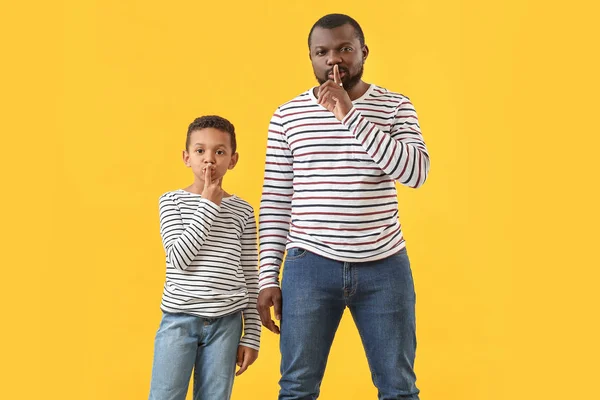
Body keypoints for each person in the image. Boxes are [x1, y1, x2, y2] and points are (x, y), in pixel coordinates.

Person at [256, 13, 430, 400]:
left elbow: (416, 172)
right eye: (322, 52)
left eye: (344, 49)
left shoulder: (395, 106)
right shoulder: (288, 116)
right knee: (297, 388)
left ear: (363, 52)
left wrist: (349, 115)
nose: (333, 60)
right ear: (311, 58)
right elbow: (276, 200)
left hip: (385, 265)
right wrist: (268, 276)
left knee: (399, 388)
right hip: (309, 266)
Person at [149, 115, 260, 400]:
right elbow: (179, 258)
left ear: (232, 160)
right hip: (179, 319)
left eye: (219, 151)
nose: (209, 159)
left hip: (227, 322)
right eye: (200, 151)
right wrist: (208, 203)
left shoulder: (243, 211)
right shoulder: (171, 201)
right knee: (165, 395)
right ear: (187, 157)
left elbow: (250, 275)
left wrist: (251, 335)